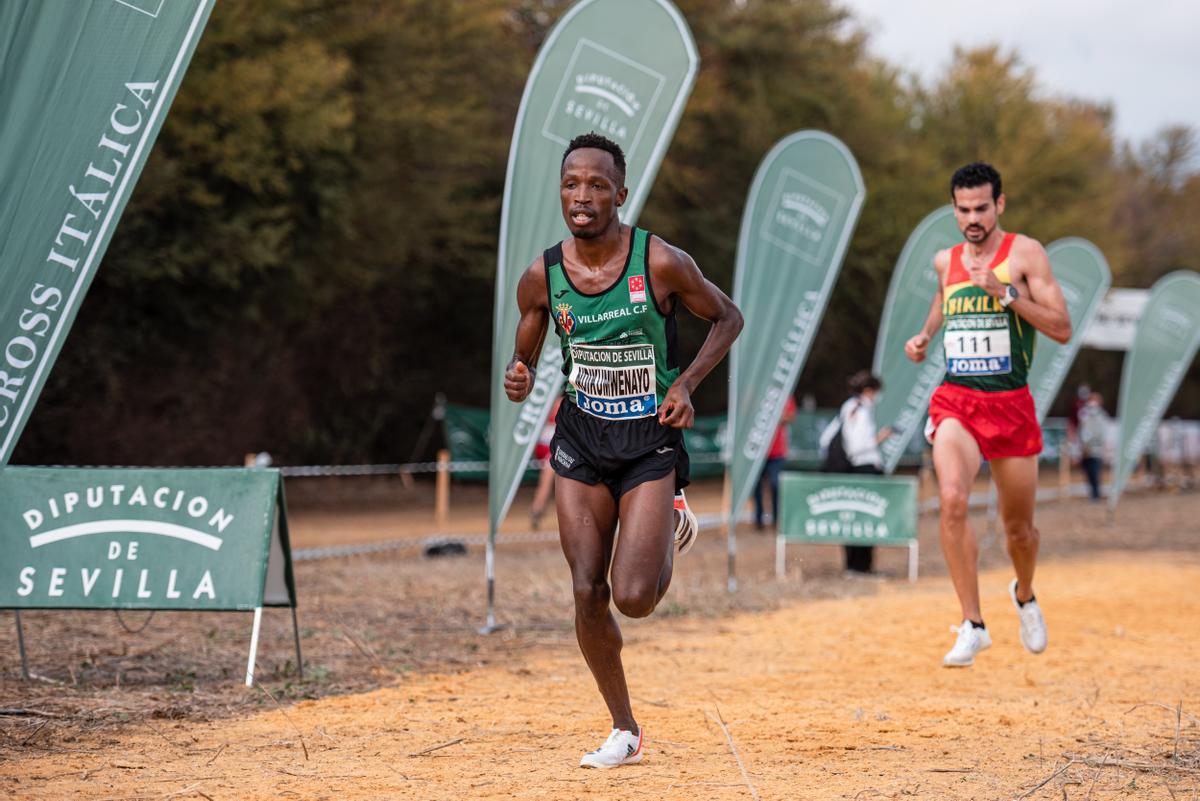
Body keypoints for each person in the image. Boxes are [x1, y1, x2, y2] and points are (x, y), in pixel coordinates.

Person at [503, 132, 742, 768]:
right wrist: (519, 371)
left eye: (597, 185)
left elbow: (727, 317)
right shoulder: (543, 275)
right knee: (587, 590)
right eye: (571, 185)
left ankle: (671, 513)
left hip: (649, 442)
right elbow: (525, 346)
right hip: (581, 438)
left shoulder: (659, 261)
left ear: (621, 194)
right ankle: (624, 728)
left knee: (633, 597)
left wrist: (686, 384)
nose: (582, 197)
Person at [903, 162, 1071, 668]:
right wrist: (926, 335)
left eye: (981, 208)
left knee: (1019, 530)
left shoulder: (1025, 254)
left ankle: (1024, 593)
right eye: (963, 209)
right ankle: (973, 624)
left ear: (999, 204)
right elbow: (942, 298)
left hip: (1011, 404)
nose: (972, 218)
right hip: (958, 401)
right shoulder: (944, 260)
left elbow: (1061, 327)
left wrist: (1008, 294)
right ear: (953, 208)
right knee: (952, 499)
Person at [819, 371, 892, 574]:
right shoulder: (860, 410)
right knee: (865, 519)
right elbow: (857, 446)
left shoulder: (847, 407)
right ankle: (861, 566)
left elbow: (826, 439)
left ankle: (855, 565)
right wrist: (880, 438)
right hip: (863, 469)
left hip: (851, 470)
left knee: (853, 519)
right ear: (869, 391)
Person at [754, 394, 797, 529]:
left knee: (775, 484)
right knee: (756, 487)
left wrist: (775, 417)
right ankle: (759, 519)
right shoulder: (758, 393)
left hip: (777, 452)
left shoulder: (784, 394)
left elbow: (791, 416)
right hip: (757, 452)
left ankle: (776, 519)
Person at [530, 396, 562, 530]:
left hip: (550, 446)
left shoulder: (551, 402)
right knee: (547, 480)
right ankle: (537, 509)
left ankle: (538, 509)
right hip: (550, 448)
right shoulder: (556, 402)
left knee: (550, 481)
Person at [1077, 392, 1109, 501]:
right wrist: (1083, 444)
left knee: (1095, 471)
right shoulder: (1084, 413)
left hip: (1096, 449)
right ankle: (1092, 493)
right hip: (1084, 449)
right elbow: (1082, 429)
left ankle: (1096, 494)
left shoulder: (1102, 416)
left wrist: (1092, 444)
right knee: (1088, 471)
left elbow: (1101, 433)